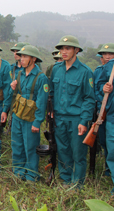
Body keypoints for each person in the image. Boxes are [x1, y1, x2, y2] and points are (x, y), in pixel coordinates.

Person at [50, 35, 95, 186]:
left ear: (76, 50)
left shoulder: (85, 72)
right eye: (62, 48)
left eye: (67, 48)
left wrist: (84, 121)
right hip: (59, 118)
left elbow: (89, 98)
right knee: (63, 151)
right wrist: (50, 111)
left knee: (78, 154)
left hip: (76, 119)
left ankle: (77, 185)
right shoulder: (56, 70)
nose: (64, 51)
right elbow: (51, 93)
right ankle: (65, 180)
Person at [9, 45, 48, 182]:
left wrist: (37, 122)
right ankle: (18, 173)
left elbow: (42, 102)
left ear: (33, 59)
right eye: (21, 56)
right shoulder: (19, 74)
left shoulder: (41, 78)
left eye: (25, 56)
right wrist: (13, 87)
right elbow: (16, 95)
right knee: (17, 145)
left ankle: (31, 175)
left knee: (30, 147)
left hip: (31, 119)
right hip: (18, 116)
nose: (22, 59)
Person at [95, 44, 114, 177]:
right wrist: (104, 89)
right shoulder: (108, 67)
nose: (107, 56)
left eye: (110, 53)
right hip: (108, 112)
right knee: (108, 145)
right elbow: (98, 85)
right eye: (105, 54)